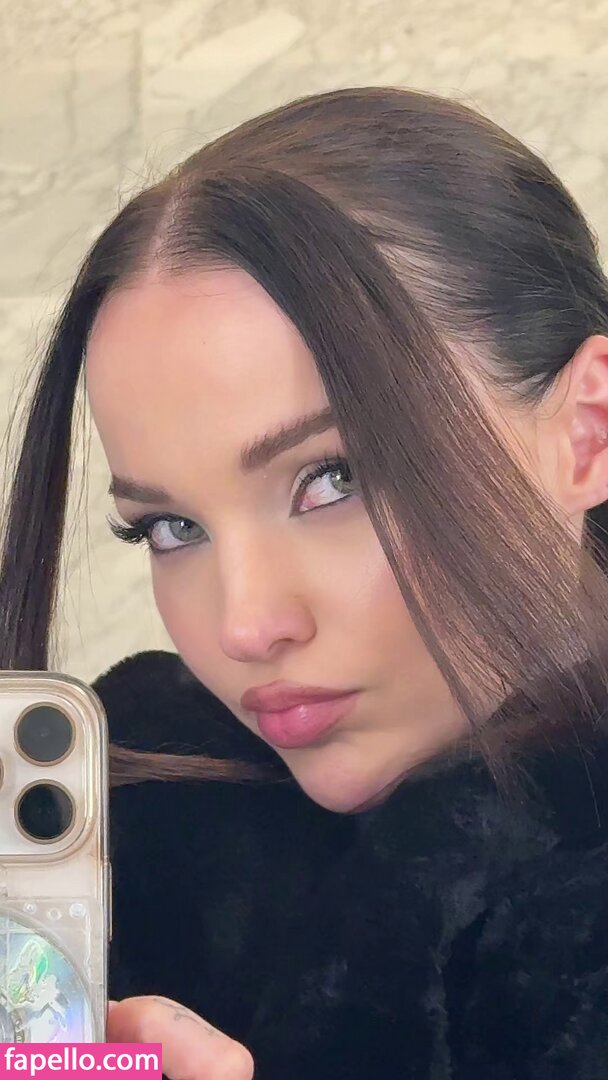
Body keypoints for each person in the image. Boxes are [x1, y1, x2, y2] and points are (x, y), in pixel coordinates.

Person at [3, 84, 608, 1077]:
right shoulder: (125, 837)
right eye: (171, 527)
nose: (244, 626)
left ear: (586, 433)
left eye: (334, 478)